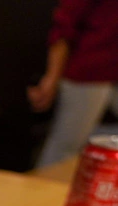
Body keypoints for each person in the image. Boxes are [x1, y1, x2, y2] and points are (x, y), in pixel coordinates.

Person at [28, 0, 118, 167]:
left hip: (109, 72)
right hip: (88, 72)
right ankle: (44, 189)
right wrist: (51, 78)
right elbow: (64, 25)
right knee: (66, 146)